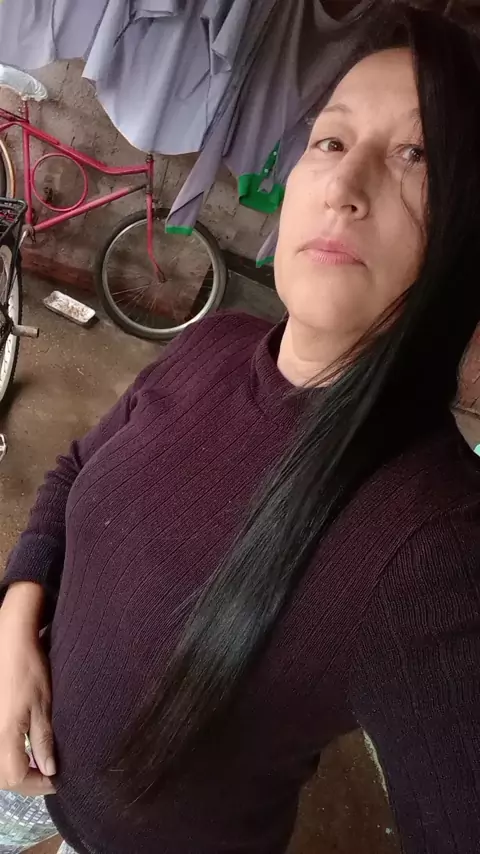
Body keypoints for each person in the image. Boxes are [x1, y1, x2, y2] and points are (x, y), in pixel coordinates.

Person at [1, 4, 480, 853]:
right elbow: (75, 469)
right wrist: (17, 619)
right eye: (331, 140)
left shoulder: (432, 541)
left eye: (418, 157)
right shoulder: (214, 343)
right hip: (19, 739)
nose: (344, 184)